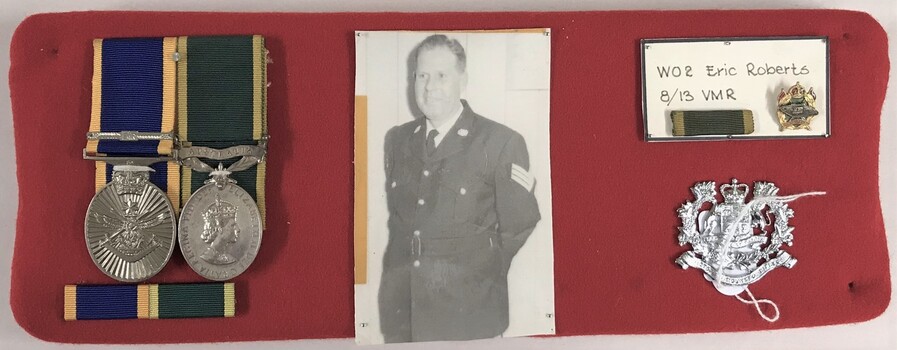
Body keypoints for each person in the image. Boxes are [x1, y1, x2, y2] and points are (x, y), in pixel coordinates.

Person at [378, 34, 541, 343]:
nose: (430, 87)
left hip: (469, 314)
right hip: (403, 311)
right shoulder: (397, 140)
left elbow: (520, 224)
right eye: (422, 75)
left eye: (442, 76)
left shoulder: (499, 142)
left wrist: (477, 274)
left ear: (462, 80)